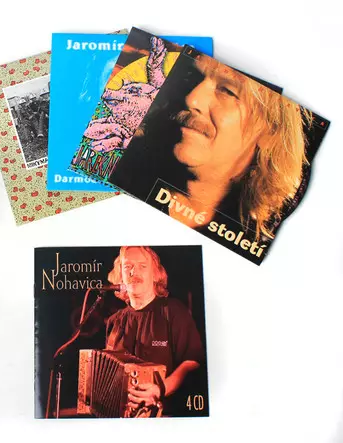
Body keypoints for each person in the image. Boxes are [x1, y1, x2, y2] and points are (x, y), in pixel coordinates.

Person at [110, 52, 309, 242]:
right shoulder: (118, 166)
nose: (192, 99)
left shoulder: (264, 235)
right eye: (191, 78)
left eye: (227, 90)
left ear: (270, 131)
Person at [105, 246, 204, 415]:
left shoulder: (174, 311)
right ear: (120, 275)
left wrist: (160, 389)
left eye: (142, 266)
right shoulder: (115, 321)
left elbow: (191, 362)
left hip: (166, 415)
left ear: (155, 275)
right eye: (127, 266)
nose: (134, 272)